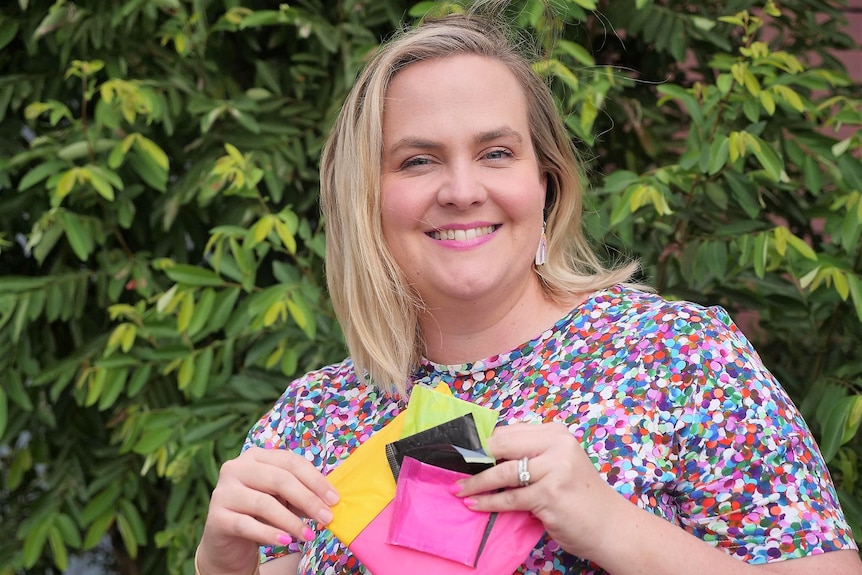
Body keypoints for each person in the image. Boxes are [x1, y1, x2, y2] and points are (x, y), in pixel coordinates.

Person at [194, 8, 862, 575]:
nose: (461, 190)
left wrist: (614, 528)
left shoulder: (677, 356)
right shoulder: (315, 415)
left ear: (546, 181)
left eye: (495, 152)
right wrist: (222, 563)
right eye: (418, 159)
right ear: (365, 197)